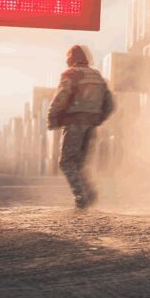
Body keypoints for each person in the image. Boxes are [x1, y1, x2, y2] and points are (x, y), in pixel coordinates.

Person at [47, 45, 114, 209]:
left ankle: (81, 196)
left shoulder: (71, 73)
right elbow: (110, 103)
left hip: (74, 122)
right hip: (91, 124)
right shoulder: (97, 75)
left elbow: (61, 96)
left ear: (70, 58)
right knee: (79, 163)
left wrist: (52, 117)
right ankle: (89, 193)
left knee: (66, 162)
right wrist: (98, 119)